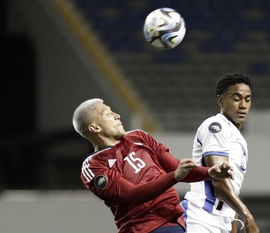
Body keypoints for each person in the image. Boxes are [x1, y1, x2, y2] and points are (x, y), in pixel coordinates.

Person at [72, 98, 234, 233]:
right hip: (145, 228)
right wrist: (174, 176)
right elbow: (131, 194)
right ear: (95, 128)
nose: (117, 115)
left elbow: (178, 168)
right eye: (108, 114)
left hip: (177, 220)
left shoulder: (139, 136)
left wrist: (210, 172)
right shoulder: (93, 166)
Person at [181, 72, 260, 233]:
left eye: (247, 99)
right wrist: (248, 216)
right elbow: (218, 181)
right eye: (236, 98)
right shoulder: (216, 126)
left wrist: (233, 226)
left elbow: (232, 190)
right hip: (201, 219)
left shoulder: (238, 139)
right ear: (221, 100)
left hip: (222, 221)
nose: (243, 105)